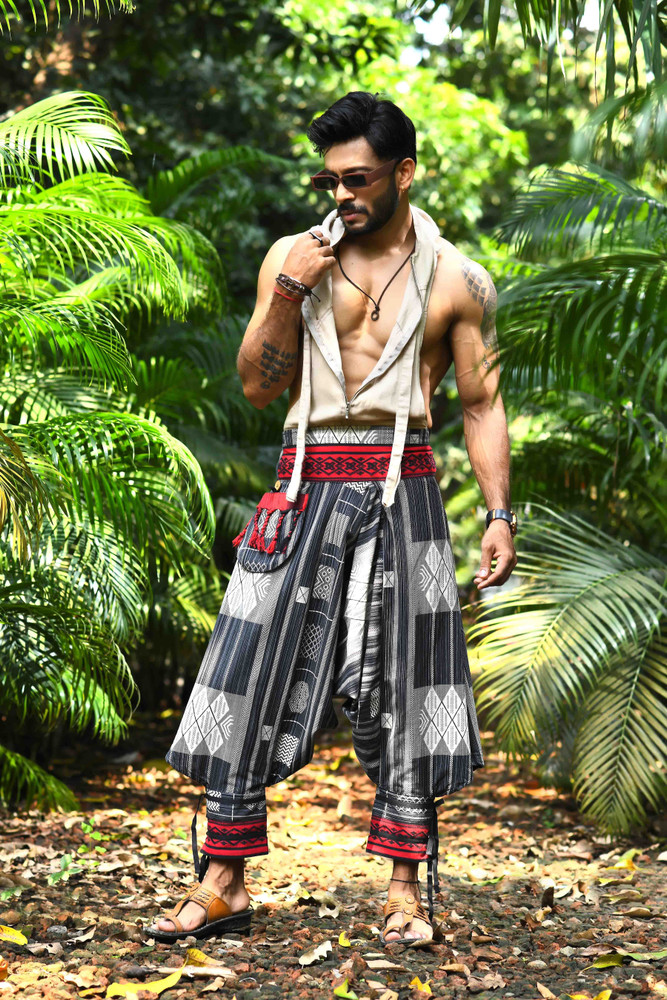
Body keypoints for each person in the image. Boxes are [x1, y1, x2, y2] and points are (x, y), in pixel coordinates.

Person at [148, 91, 517, 947]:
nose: (342, 194)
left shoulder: (458, 280)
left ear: (404, 173)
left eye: (359, 178)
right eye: (330, 180)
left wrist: (499, 514)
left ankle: (403, 894)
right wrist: (289, 291)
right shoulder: (294, 255)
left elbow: (481, 402)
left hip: (404, 483)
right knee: (246, 671)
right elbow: (255, 385)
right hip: (302, 479)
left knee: (407, 683)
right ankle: (223, 881)